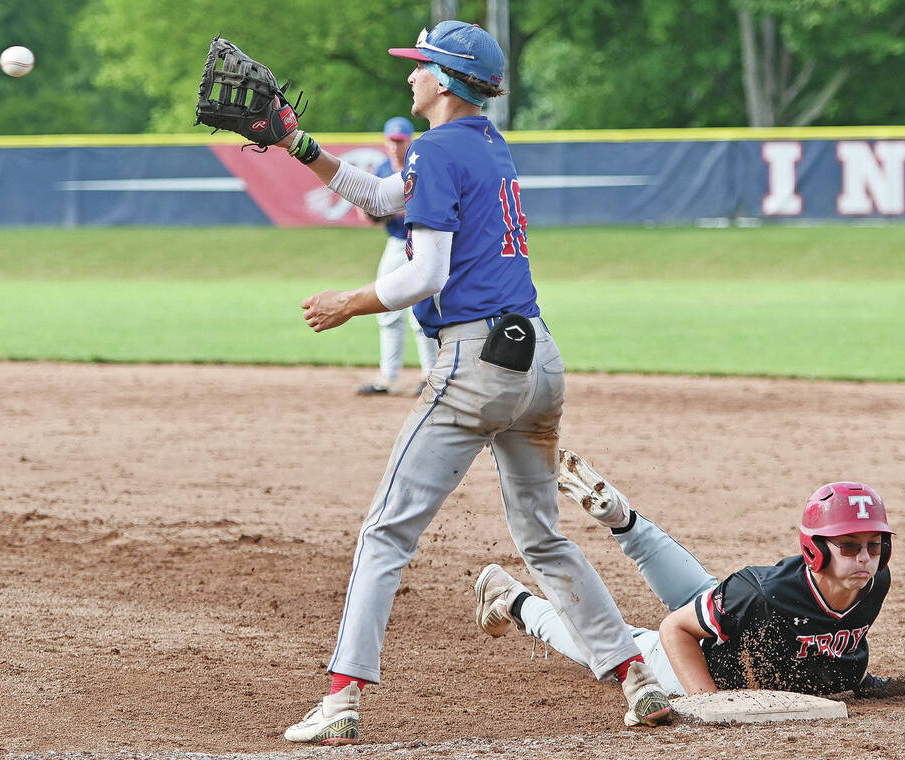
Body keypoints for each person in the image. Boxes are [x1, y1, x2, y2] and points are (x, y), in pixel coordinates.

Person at [269, 20, 672, 746]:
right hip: (537, 359)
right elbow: (389, 198)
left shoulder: (434, 146)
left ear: (448, 81)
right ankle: (636, 677)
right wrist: (302, 148)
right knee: (543, 538)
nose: (412, 75)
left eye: (422, 66)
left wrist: (349, 302)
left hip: (474, 364)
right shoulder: (485, 145)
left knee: (386, 532)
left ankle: (341, 699)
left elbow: (426, 274)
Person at [475, 449, 905, 699]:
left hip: (736, 627)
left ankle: (621, 519)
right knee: (610, 650)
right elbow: (675, 629)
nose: (864, 558)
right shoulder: (763, 593)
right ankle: (513, 600)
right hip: (691, 660)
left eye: (874, 546)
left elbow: (831, 638)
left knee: (709, 596)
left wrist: (857, 679)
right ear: (816, 549)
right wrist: (709, 704)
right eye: (848, 546)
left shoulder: (872, 583)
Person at [356, 116, 439, 397]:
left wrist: (393, 209)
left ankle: (430, 375)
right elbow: (369, 214)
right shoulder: (380, 169)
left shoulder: (421, 164)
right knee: (385, 309)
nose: (395, 145)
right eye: (391, 140)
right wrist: (375, 212)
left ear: (410, 140)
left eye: (400, 140)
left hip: (423, 244)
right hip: (395, 244)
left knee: (421, 313)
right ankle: (387, 378)